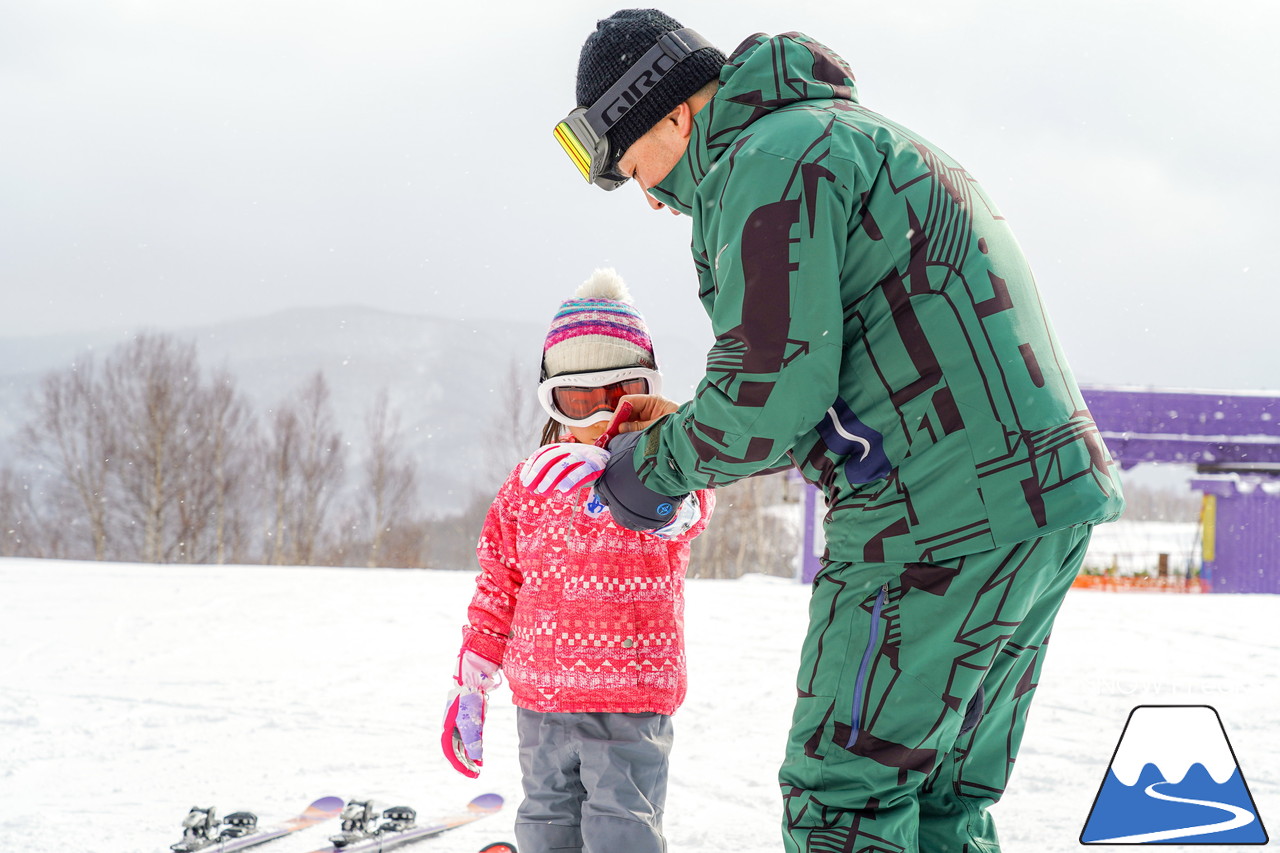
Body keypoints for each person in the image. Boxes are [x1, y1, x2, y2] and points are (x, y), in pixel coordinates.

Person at [542, 10, 1126, 853]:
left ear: (671, 112)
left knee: (843, 803)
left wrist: (643, 470)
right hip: (1036, 506)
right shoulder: (842, 136)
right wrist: (690, 420)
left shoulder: (765, 163)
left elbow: (768, 403)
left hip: (933, 527)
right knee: (937, 803)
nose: (654, 199)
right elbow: (831, 366)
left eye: (640, 169)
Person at [447, 268, 715, 853]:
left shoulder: (667, 468)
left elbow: (688, 514)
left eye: (617, 394)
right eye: (577, 397)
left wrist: (627, 482)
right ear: (553, 399)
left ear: (644, 387)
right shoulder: (530, 483)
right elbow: (500, 580)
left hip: (630, 696)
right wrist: (474, 668)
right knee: (544, 827)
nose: (597, 413)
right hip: (540, 698)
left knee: (623, 831)